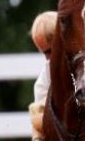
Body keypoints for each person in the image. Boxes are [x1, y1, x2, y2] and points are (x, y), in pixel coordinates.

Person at [28, 11, 57, 141]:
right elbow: (38, 120)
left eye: (49, 51)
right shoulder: (46, 77)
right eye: (43, 53)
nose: (47, 58)